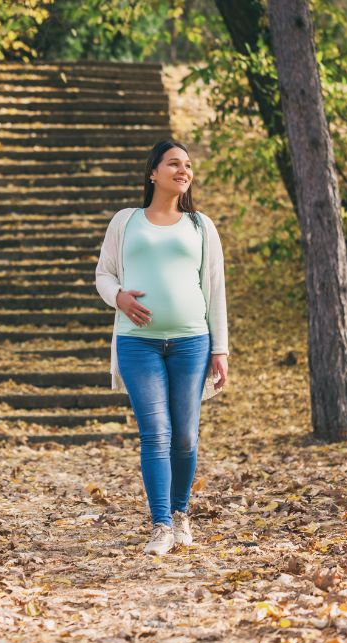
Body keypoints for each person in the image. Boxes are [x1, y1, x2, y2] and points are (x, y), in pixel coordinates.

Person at [95, 140, 229, 556]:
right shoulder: (126, 221)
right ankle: (161, 524)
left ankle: (181, 512)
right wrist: (119, 297)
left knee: (186, 437)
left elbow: (215, 289)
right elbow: (104, 273)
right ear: (153, 172)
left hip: (191, 341)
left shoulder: (201, 226)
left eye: (187, 165)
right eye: (174, 163)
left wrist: (220, 349)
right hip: (138, 344)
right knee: (156, 434)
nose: (183, 170)